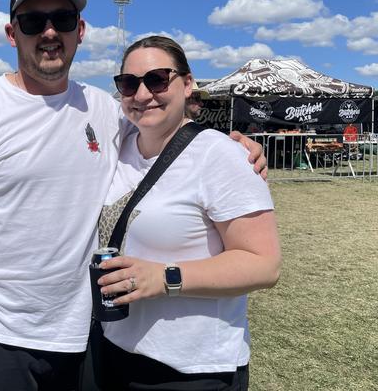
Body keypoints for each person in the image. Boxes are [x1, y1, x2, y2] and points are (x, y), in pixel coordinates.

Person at [0, 0, 268, 391]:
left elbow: (168, 137)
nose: (50, 32)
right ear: (12, 33)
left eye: (63, 20)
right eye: (33, 21)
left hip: (85, 338)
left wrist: (234, 145)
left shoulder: (105, 110)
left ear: (80, 30)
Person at [93, 36, 281, 390]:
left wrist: (164, 278)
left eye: (158, 79)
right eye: (129, 83)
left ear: (188, 83)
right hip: (114, 353)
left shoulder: (220, 155)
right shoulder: (117, 147)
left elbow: (264, 264)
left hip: (191, 368)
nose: (143, 93)